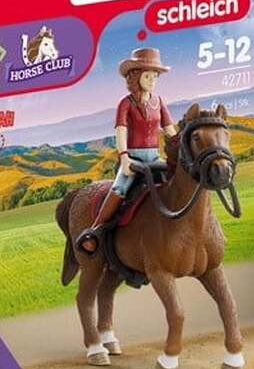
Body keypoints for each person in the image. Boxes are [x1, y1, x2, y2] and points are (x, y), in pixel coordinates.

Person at [76, 47, 178, 255]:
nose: (152, 80)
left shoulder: (159, 102)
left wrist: (179, 148)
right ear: (136, 76)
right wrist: (124, 158)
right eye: (147, 76)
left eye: (155, 76)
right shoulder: (126, 103)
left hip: (155, 157)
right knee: (120, 188)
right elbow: (121, 131)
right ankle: (95, 231)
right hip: (133, 158)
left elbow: (169, 129)